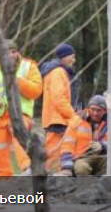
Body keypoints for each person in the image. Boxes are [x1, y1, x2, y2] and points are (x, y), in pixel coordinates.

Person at [0, 40, 43, 178]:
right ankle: (5, 182)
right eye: (7, 52)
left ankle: (27, 168)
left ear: (17, 52)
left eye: (13, 52)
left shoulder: (28, 66)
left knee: (19, 137)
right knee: (0, 149)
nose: (11, 55)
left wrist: (20, 82)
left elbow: (36, 90)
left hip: (20, 114)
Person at [40, 43, 78, 173]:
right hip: (57, 119)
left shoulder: (56, 71)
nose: (74, 60)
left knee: (54, 153)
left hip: (55, 118)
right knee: (54, 154)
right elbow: (59, 98)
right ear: (64, 57)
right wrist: (73, 115)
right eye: (72, 57)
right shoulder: (58, 72)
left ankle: (49, 179)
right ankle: (46, 181)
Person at [60, 94, 109, 177]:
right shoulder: (77, 121)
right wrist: (66, 168)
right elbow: (67, 145)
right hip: (81, 157)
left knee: (110, 165)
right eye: (93, 109)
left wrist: (102, 145)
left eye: (99, 110)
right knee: (81, 168)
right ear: (88, 108)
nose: (95, 113)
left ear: (105, 111)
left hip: (101, 157)